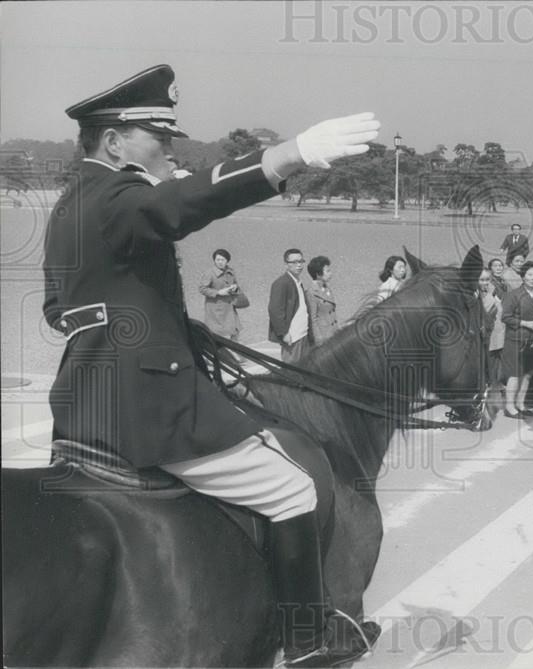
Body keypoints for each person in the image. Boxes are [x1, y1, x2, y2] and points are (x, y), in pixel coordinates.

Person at [42, 64, 381, 666]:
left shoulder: (70, 204)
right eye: (160, 137)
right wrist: (287, 156)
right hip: (147, 410)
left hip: (81, 406)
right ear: (114, 142)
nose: (171, 149)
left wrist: (166, 327)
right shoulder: (119, 196)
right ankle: (306, 639)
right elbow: (184, 203)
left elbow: (62, 310)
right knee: (291, 488)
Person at [500, 261, 533, 418]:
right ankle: (510, 407)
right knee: (514, 374)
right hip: (515, 340)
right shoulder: (513, 295)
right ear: (523, 276)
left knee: (528, 374)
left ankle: (521, 404)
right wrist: (525, 323)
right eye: (530, 275)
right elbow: (505, 317)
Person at [269, 248, 312, 363]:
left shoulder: (297, 282)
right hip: (293, 336)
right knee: (291, 370)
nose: (299, 265)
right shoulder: (281, 283)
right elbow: (275, 310)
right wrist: (283, 333)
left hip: (303, 333)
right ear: (286, 264)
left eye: (301, 261)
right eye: (294, 262)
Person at [198, 248, 243, 341]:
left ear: (227, 261)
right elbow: (202, 289)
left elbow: (235, 284)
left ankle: (234, 351)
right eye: (217, 260)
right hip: (216, 308)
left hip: (230, 307)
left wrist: (235, 288)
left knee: (235, 330)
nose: (220, 262)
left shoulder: (230, 272)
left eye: (222, 260)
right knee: (216, 334)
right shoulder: (209, 273)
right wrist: (218, 292)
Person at [479, 268, 505, 391]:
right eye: (482, 280)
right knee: (486, 370)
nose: (485, 283)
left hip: (497, 337)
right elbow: (484, 310)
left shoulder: (496, 293)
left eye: (487, 280)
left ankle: (495, 391)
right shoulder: (476, 295)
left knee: (496, 369)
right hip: (483, 337)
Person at [306, 255, 338, 346]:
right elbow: (313, 318)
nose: (330, 273)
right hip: (323, 336)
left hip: (332, 333)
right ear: (318, 274)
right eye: (327, 271)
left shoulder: (327, 288)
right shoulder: (312, 292)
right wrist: (318, 339)